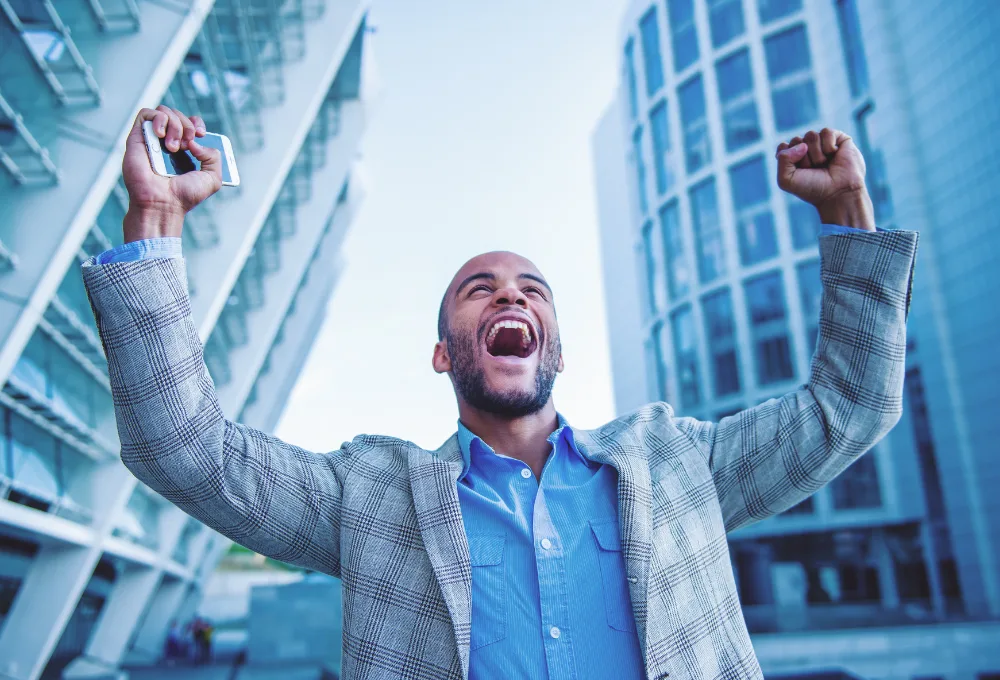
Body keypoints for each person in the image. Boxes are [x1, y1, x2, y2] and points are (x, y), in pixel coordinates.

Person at [81, 105, 917, 680]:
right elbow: (185, 450)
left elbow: (847, 408)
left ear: (556, 345)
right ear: (444, 354)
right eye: (479, 289)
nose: (511, 295)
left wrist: (847, 210)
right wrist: (154, 221)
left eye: (532, 289)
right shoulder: (371, 496)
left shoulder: (680, 463)